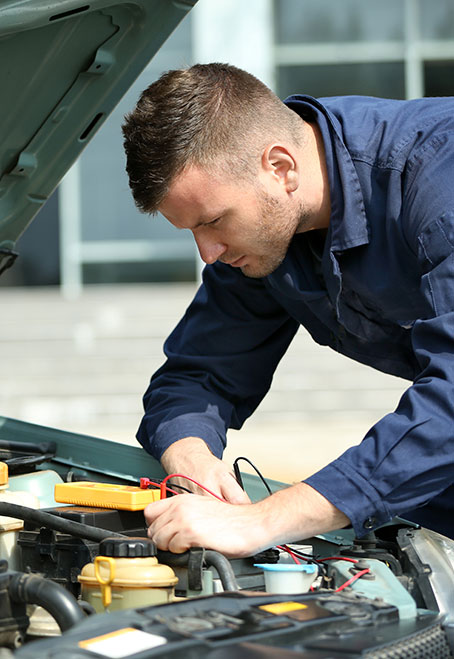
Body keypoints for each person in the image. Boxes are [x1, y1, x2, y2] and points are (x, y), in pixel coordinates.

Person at [122, 63, 454, 556]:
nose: (208, 253)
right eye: (191, 231)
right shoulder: (265, 234)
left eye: (213, 221)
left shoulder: (436, 179)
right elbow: (199, 375)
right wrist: (190, 455)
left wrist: (263, 521)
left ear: (280, 168)